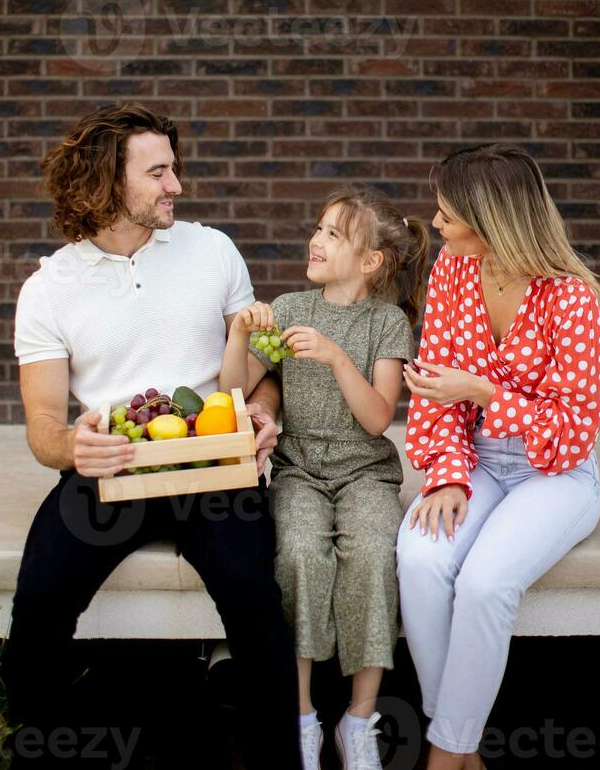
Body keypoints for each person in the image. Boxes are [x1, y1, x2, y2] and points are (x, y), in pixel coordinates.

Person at [4, 102, 301, 770]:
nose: (177, 185)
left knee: (255, 598)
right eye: (158, 171)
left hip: (214, 466)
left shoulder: (212, 250)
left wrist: (263, 408)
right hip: (114, 467)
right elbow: (45, 426)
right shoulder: (50, 288)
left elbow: (259, 364)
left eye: (175, 168)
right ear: (110, 181)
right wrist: (73, 447)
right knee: (41, 601)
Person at [396, 144, 600, 770]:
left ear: (491, 221)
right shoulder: (453, 272)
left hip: (557, 472)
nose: (435, 224)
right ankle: (465, 747)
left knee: (486, 583)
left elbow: (574, 432)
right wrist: (447, 473)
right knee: (420, 556)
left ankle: (442, 755)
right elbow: (434, 393)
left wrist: (486, 392)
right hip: (478, 458)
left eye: (446, 215)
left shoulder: (571, 298)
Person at [219, 185, 429, 770]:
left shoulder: (386, 323)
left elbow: (379, 418)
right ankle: (303, 713)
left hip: (365, 472)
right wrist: (239, 335)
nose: (316, 239)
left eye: (334, 234)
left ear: (370, 261)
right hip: (300, 470)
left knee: (368, 551)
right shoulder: (288, 309)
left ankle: (358, 720)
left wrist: (336, 356)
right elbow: (232, 390)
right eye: (318, 228)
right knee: (300, 556)